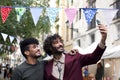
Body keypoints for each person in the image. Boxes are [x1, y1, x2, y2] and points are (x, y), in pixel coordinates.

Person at [10, 38, 78, 80]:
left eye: (38, 46)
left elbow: (57, 57)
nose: (38, 48)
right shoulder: (19, 70)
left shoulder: (44, 64)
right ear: (27, 52)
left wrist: (67, 53)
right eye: (34, 47)